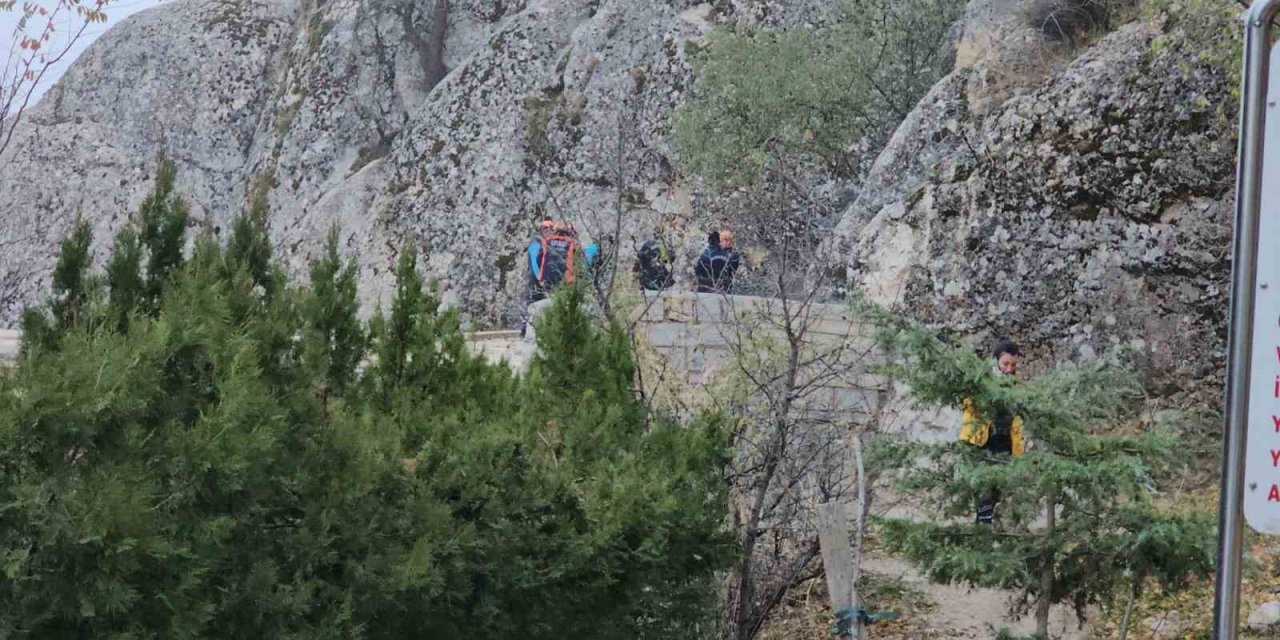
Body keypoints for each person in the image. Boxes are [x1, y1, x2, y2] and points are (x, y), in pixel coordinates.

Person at [958, 338, 1025, 524]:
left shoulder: (1018, 386)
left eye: (1013, 364)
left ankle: (989, 529)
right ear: (996, 360)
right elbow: (968, 406)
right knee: (983, 491)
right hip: (981, 443)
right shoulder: (981, 381)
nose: (1009, 369)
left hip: (1005, 446)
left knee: (998, 491)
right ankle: (983, 529)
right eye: (1005, 364)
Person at [693, 230, 741, 294]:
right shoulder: (728, 255)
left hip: (706, 287)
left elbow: (698, 270)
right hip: (723, 288)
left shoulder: (706, 253)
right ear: (719, 241)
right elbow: (731, 272)